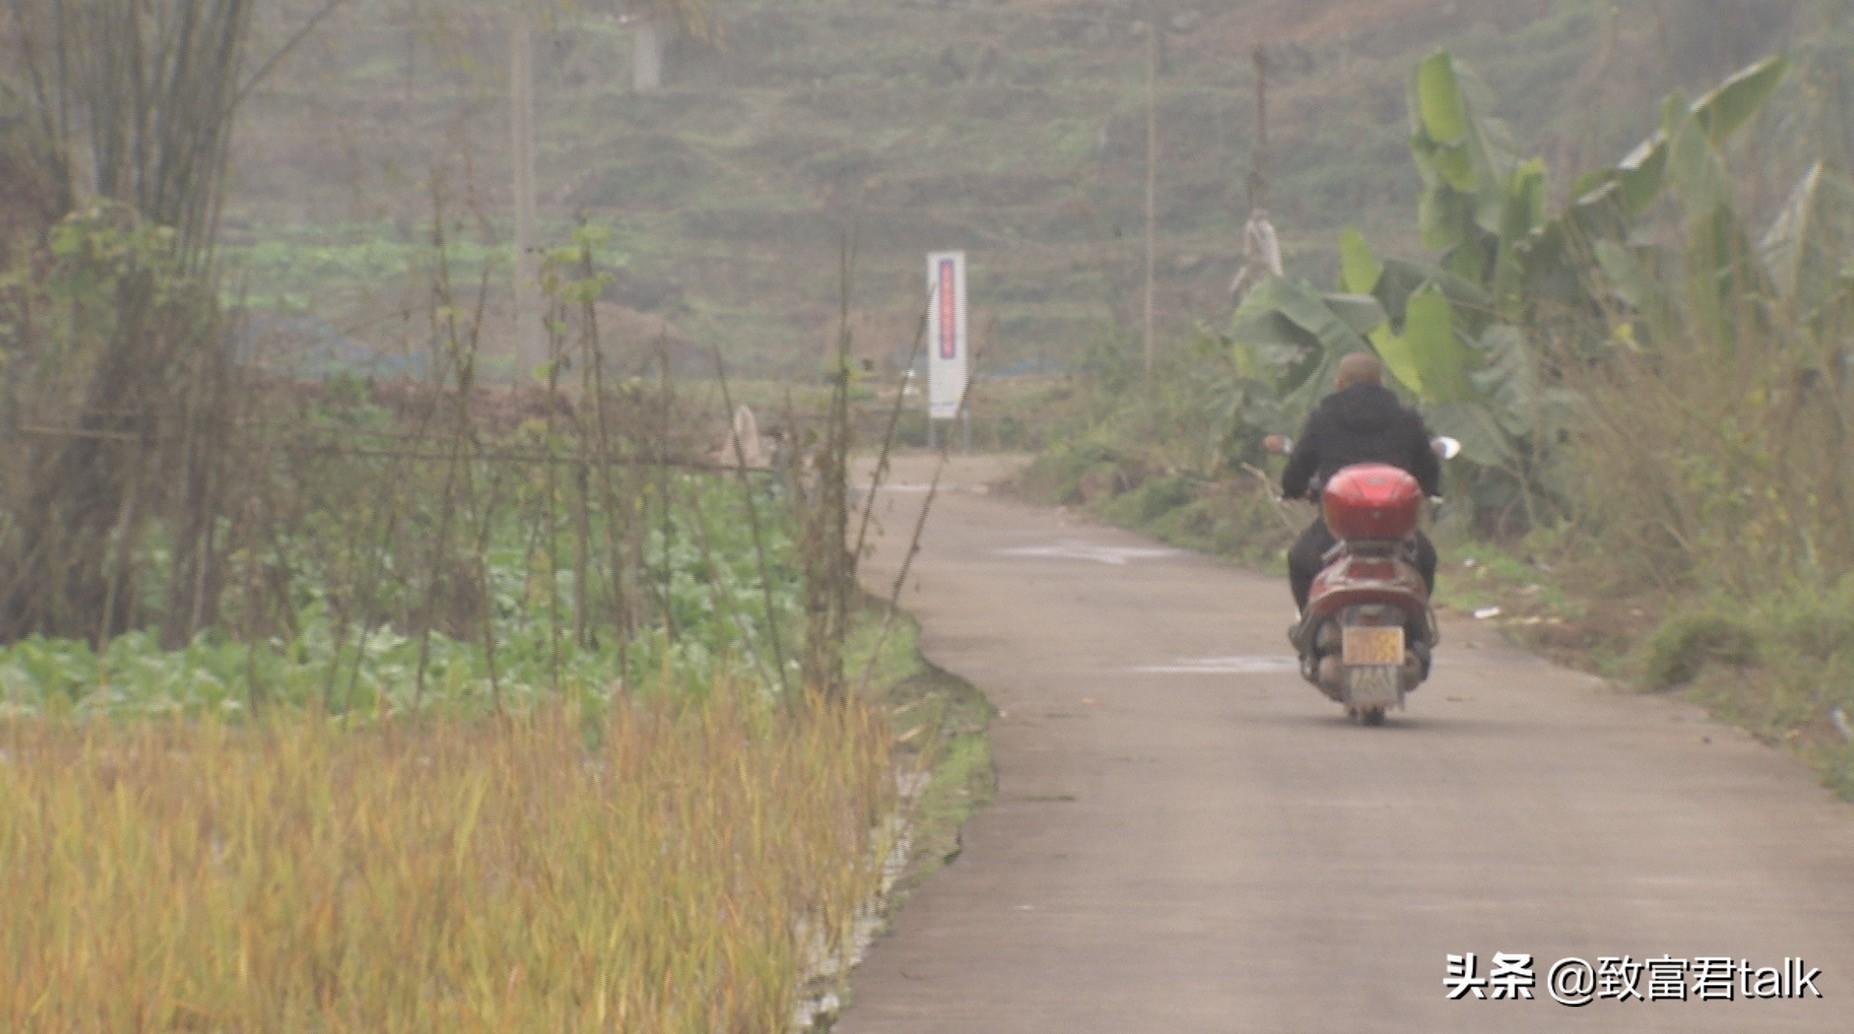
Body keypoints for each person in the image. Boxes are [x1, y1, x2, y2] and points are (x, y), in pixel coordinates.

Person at [1279, 352, 1440, 617]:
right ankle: (1416, 622)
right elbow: (1427, 468)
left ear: (1340, 382)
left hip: (1337, 528)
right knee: (1426, 560)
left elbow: (1300, 464)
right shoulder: (1407, 418)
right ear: (1381, 382)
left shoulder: (1323, 418)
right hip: (1396, 532)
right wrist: (1431, 489)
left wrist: (1292, 488)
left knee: (1298, 560)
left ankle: (1308, 624)